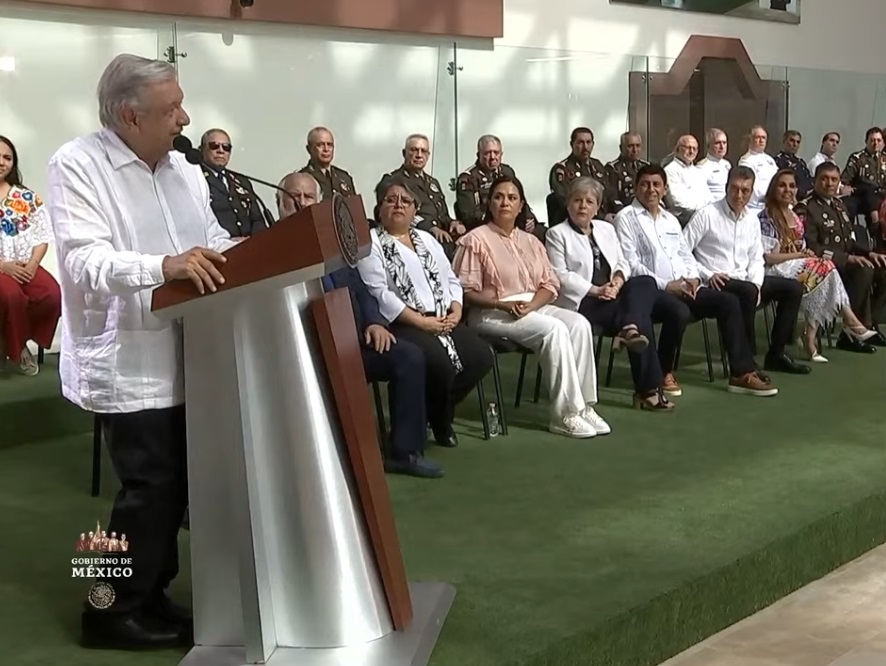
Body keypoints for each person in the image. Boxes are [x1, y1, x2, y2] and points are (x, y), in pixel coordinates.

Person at [46, 54, 238, 649]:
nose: (184, 117)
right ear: (129, 116)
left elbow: (213, 243)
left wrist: (266, 248)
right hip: (127, 360)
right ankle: (106, 610)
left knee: (173, 489)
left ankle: (151, 595)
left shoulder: (183, 170)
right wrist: (163, 267)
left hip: (193, 355)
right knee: (144, 492)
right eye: (171, 108)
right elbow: (82, 260)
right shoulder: (78, 165)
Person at [278, 173, 442, 478]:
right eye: (293, 197)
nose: (301, 204)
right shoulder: (271, 247)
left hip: (352, 342)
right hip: (302, 348)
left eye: (308, 198)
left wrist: (376, 322)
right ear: (279, 202)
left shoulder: (332, 244)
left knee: (409, 356)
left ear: (318, 203)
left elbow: (362, 287)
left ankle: (405, 452)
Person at [453, 175, 610, 437]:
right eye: (499, 197)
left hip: (531, 307)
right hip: (491, 312)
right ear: (490, 203)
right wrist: (503, 305)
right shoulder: (475, 240)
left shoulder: (531, 240)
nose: (505, 202)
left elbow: (550, 284)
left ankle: (585, 407)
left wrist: (532, 305)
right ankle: (564, 414)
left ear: (520, 204)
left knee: (579, 324)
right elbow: (465, 292)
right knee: (554, 330)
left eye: (512, 198)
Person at [616, 164, 778, 397]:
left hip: (685, 284)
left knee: (729, 302)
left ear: (664, 189)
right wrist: (667, 284)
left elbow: (685, 254)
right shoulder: (626, 218)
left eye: (656, 185)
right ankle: (663, 371)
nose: (651, 189)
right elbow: (631, 264)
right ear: (635, 187)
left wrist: (692, 277)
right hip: (652, 290)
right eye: (645, 184)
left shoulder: (670, 220)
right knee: (679, 311)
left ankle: (741, 373)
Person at [357, 176, 492, 447]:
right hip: (403, 322)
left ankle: (434, 411)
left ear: (414, 209)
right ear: (379, 208)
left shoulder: (428, 239)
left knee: (481, 357)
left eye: (405, 201)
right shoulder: (370, 243)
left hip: (443, 317)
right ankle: (442, 422)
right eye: (391, 200)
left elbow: (451, 280)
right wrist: (420, 322)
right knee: (439, 365)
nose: (398, 205)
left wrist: (456, 308)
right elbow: (379, 292)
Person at [546, 177, 674, 411]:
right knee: (639, 316)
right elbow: (560, 276)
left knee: (644, 282)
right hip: (584, 302)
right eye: (577, 200)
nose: (583, 206)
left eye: (589, 201)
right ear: (568, 204)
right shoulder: (557, 234)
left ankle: (629, 328)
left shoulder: (606, 228)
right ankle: (648, 389)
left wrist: (616, 280)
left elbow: (621, 261)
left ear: (597, 207)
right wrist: (597, 290)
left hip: (614, 294)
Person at [683, 166, 809, 375]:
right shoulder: (706, 214)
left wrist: (757, 284)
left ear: (751, 192)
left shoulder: (751, 218)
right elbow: (683, 251)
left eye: (745, 190)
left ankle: (776, 354)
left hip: (746, 279)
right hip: (716, 280)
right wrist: (706, 273)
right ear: (726, 188)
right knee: (746, 292)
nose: (739, 195)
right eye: (735, 189)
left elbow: (756, 258)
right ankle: (745, 358)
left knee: (793, 288)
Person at [760, 169, 876, 361]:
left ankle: (814, 335)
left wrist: (805, 255)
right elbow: (767, 257)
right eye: (782, 185)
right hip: (775, 269)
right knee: (825, 269)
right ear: (773, 188)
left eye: (791, 186)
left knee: (825, 268)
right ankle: (844, 324)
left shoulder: (793, 216)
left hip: (797, 265)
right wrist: (800, 254)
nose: (787, 190)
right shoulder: (766, 217)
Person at [0, 135, 62, 375]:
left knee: (51, 294)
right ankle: (18, 348)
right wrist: (4, 266)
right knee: (11, 296)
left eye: (7, 157)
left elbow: (43, 235)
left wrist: (34, 264)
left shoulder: (25, 197)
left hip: (26, 264)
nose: (2, 162)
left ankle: (15, 338)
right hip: (1, 267)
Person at [199, 128, 271, 237]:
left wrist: (255, 241)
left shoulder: (241, 181)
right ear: (202, 149)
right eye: (214, 146)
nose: (221, 151)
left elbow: (257, 219)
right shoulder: (196, 179)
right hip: (219, 248)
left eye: (226, 147)